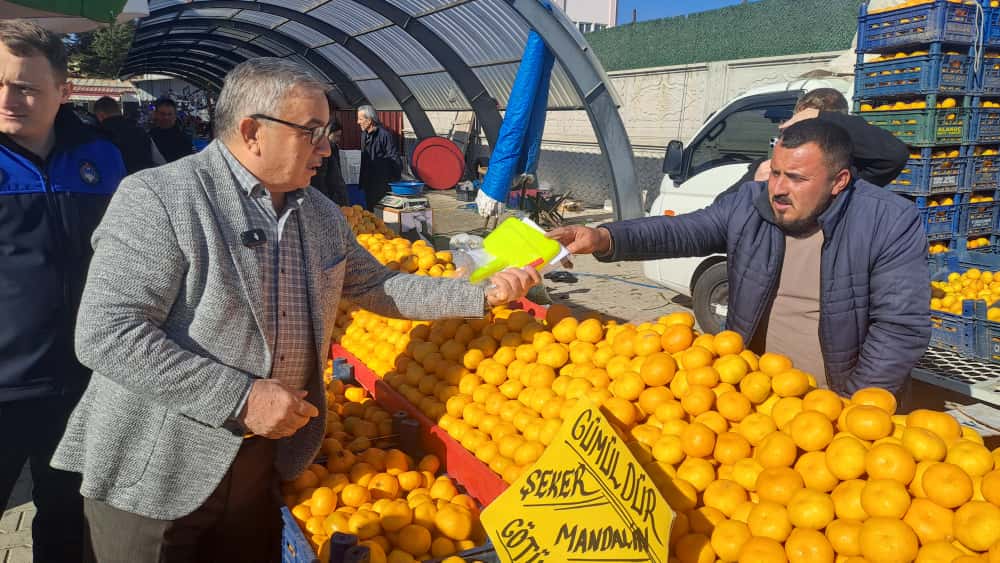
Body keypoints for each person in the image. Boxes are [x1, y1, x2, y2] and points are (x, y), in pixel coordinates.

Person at [51, 57, 539, 563]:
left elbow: (379, 285)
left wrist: (481, 295)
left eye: (327, 131)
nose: (328, 148)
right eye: (313, 132)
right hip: (158, 462)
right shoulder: (160, 197)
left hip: (261, 459)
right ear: (251, 131)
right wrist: (240, 398)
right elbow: (108, 332)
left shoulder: (320, 214)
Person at [549, 119, 930, 397]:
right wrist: (603, 237)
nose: (778, 189)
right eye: (776, 172)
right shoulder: (751, 202)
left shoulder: (886, 221)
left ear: (839, 181)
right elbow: (682, 231)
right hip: (757, 393)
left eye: (796, 178)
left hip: (839, 403)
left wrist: (856, 405)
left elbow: (899, 327)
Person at [0, 19, 126, 563]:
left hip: (83, 382)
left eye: (25, 87)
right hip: (3, 385)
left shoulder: (102, 159)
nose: (8, 99)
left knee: (68, 521)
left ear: (63, 91)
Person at [714, 88, 909, 203]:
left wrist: (820, 117)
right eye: (802, 127)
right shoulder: (769, 167)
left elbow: (895, 154)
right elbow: (721, 208)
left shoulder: (851, 177)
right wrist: (752, 186)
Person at [93, 95, 163, 173]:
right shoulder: (140, 131)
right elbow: (160, 162)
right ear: (119, 111)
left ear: (101, 115)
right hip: (142, 180)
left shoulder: (98, 135)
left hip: (116, 182)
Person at [357, 104, 400, 210]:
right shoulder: (364, 135)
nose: (358, 122)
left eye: (360, 119)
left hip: (381, 185)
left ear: (369, 120)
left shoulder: (384, 135)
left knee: (381, 213)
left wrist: (394, 183)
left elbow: (394, 159)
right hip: (368, 184)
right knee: (370, 213)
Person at [310, 118, 349, 206]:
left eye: (339, 136)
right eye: (336, 136)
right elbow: (320, 178)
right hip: (328, 197)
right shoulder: (324, 152)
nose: (338, 139)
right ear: (327, 133)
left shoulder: (334, 148)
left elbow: (337, 175)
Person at [148, 97, 193, 163]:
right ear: (156, 114)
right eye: (162, 114)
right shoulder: (149, 137)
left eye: (170, 114)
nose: (166, 117)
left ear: (175, 116)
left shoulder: (184, 138)